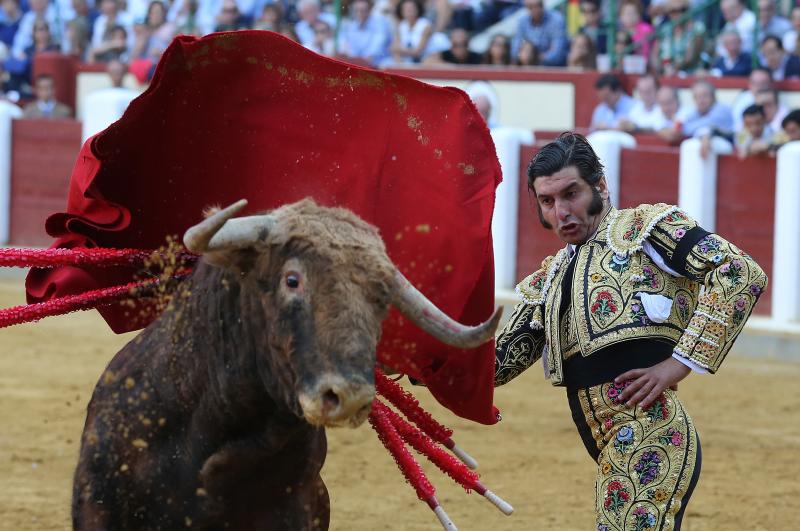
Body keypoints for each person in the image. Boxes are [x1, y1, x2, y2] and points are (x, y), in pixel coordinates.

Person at [494, 132, 767, 531]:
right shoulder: (550, 279)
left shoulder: (643, 230)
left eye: (571, 194)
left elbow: (740, 272)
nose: (562, 212)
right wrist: (413, 357)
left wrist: (677, 364)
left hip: (651, 434)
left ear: (600, 186)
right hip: (609, 445)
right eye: (547, 202)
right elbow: (496, 364)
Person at [511, 0, 568, 67]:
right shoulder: (522, 21)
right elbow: (515, 50)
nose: (534, 9)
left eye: (538, 5)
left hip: (551, 68)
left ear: (542, 5)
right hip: (527, 66)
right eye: (530, 6)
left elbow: (557, 54)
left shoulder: (556, 20)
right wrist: (524, 54)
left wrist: (533, 57)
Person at [338, 0, 392, 67]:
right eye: (356, 10)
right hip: (358, 64)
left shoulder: (380, 23)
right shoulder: (351, 26)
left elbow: (376, 48)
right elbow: (345, 47)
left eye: (363, 10)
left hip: (378, 65)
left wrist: (359, 60)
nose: (359, 13)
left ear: (369, 10)